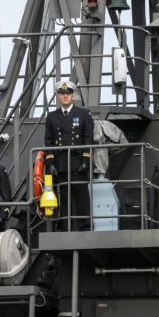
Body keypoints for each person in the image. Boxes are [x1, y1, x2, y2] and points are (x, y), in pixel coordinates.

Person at [43, 80, 93, 231]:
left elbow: (88, 139)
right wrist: (50, 163)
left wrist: (86, 159)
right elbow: (49, 142)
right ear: (58, 96)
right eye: (62, 93)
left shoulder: (83, 114)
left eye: (68, 93)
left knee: (82, 197)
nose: (65, 96)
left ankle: (85, 227)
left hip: (78, 162)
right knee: (64, 197)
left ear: (72, 95)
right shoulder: (51, 117)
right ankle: (65, 226)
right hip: (61, 163)